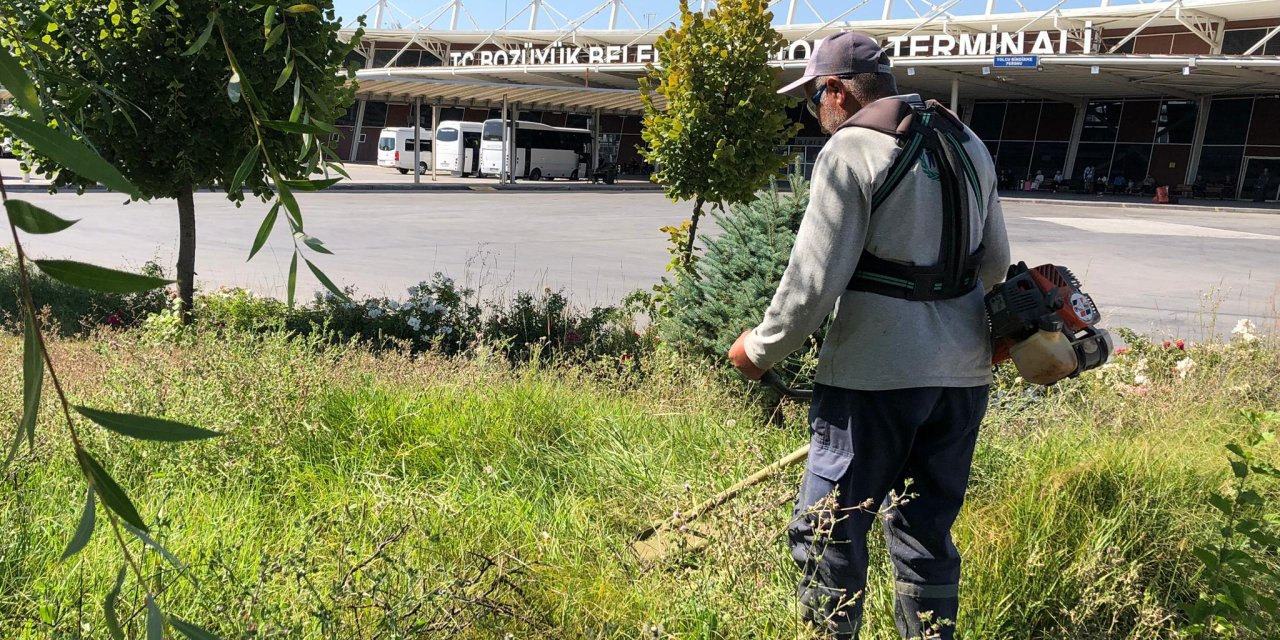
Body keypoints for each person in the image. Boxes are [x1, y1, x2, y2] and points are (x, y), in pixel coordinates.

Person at [727, 31, 1010, 640]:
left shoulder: (850, 149)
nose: (815, 114)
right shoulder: (968, 143)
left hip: (873, 378)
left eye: (813, 101)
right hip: (962, 378)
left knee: (828, 527)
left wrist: (758, 350)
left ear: (835, 91)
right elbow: (994, 266)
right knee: (924, 529)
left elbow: (812, 280)